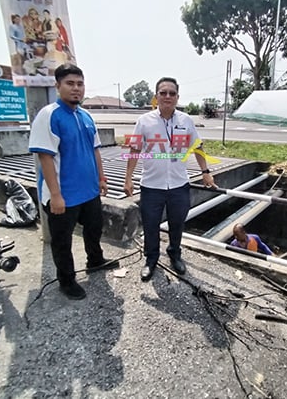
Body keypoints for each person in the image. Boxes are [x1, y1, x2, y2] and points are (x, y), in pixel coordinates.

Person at [28, 63, 119, 300]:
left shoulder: (86, 115)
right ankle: (66, 280)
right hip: (63, 195)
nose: (76, 89)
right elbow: (45, 157)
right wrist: (56, 196)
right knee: (62, 241)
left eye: (80, 84)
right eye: (70, 83)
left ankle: (95, 261)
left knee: (93, 229)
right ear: (58, 86)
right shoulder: (49, 116)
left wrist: (101, 177)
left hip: (89, 191)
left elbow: (95, 149)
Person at [123, 76, 217, 281]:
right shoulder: (144, 121)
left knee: (177, 223)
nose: (167, 96)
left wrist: (205, 171)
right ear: (156, 97)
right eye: (163, 93)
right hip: (151, 186)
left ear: (177, 97)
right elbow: (135, 149)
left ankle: (175, 254)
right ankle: (151, 260)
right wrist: (128, 179)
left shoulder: (186, 121)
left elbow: (197, 147)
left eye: (171, 93)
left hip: (178, 185)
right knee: (150, 225)